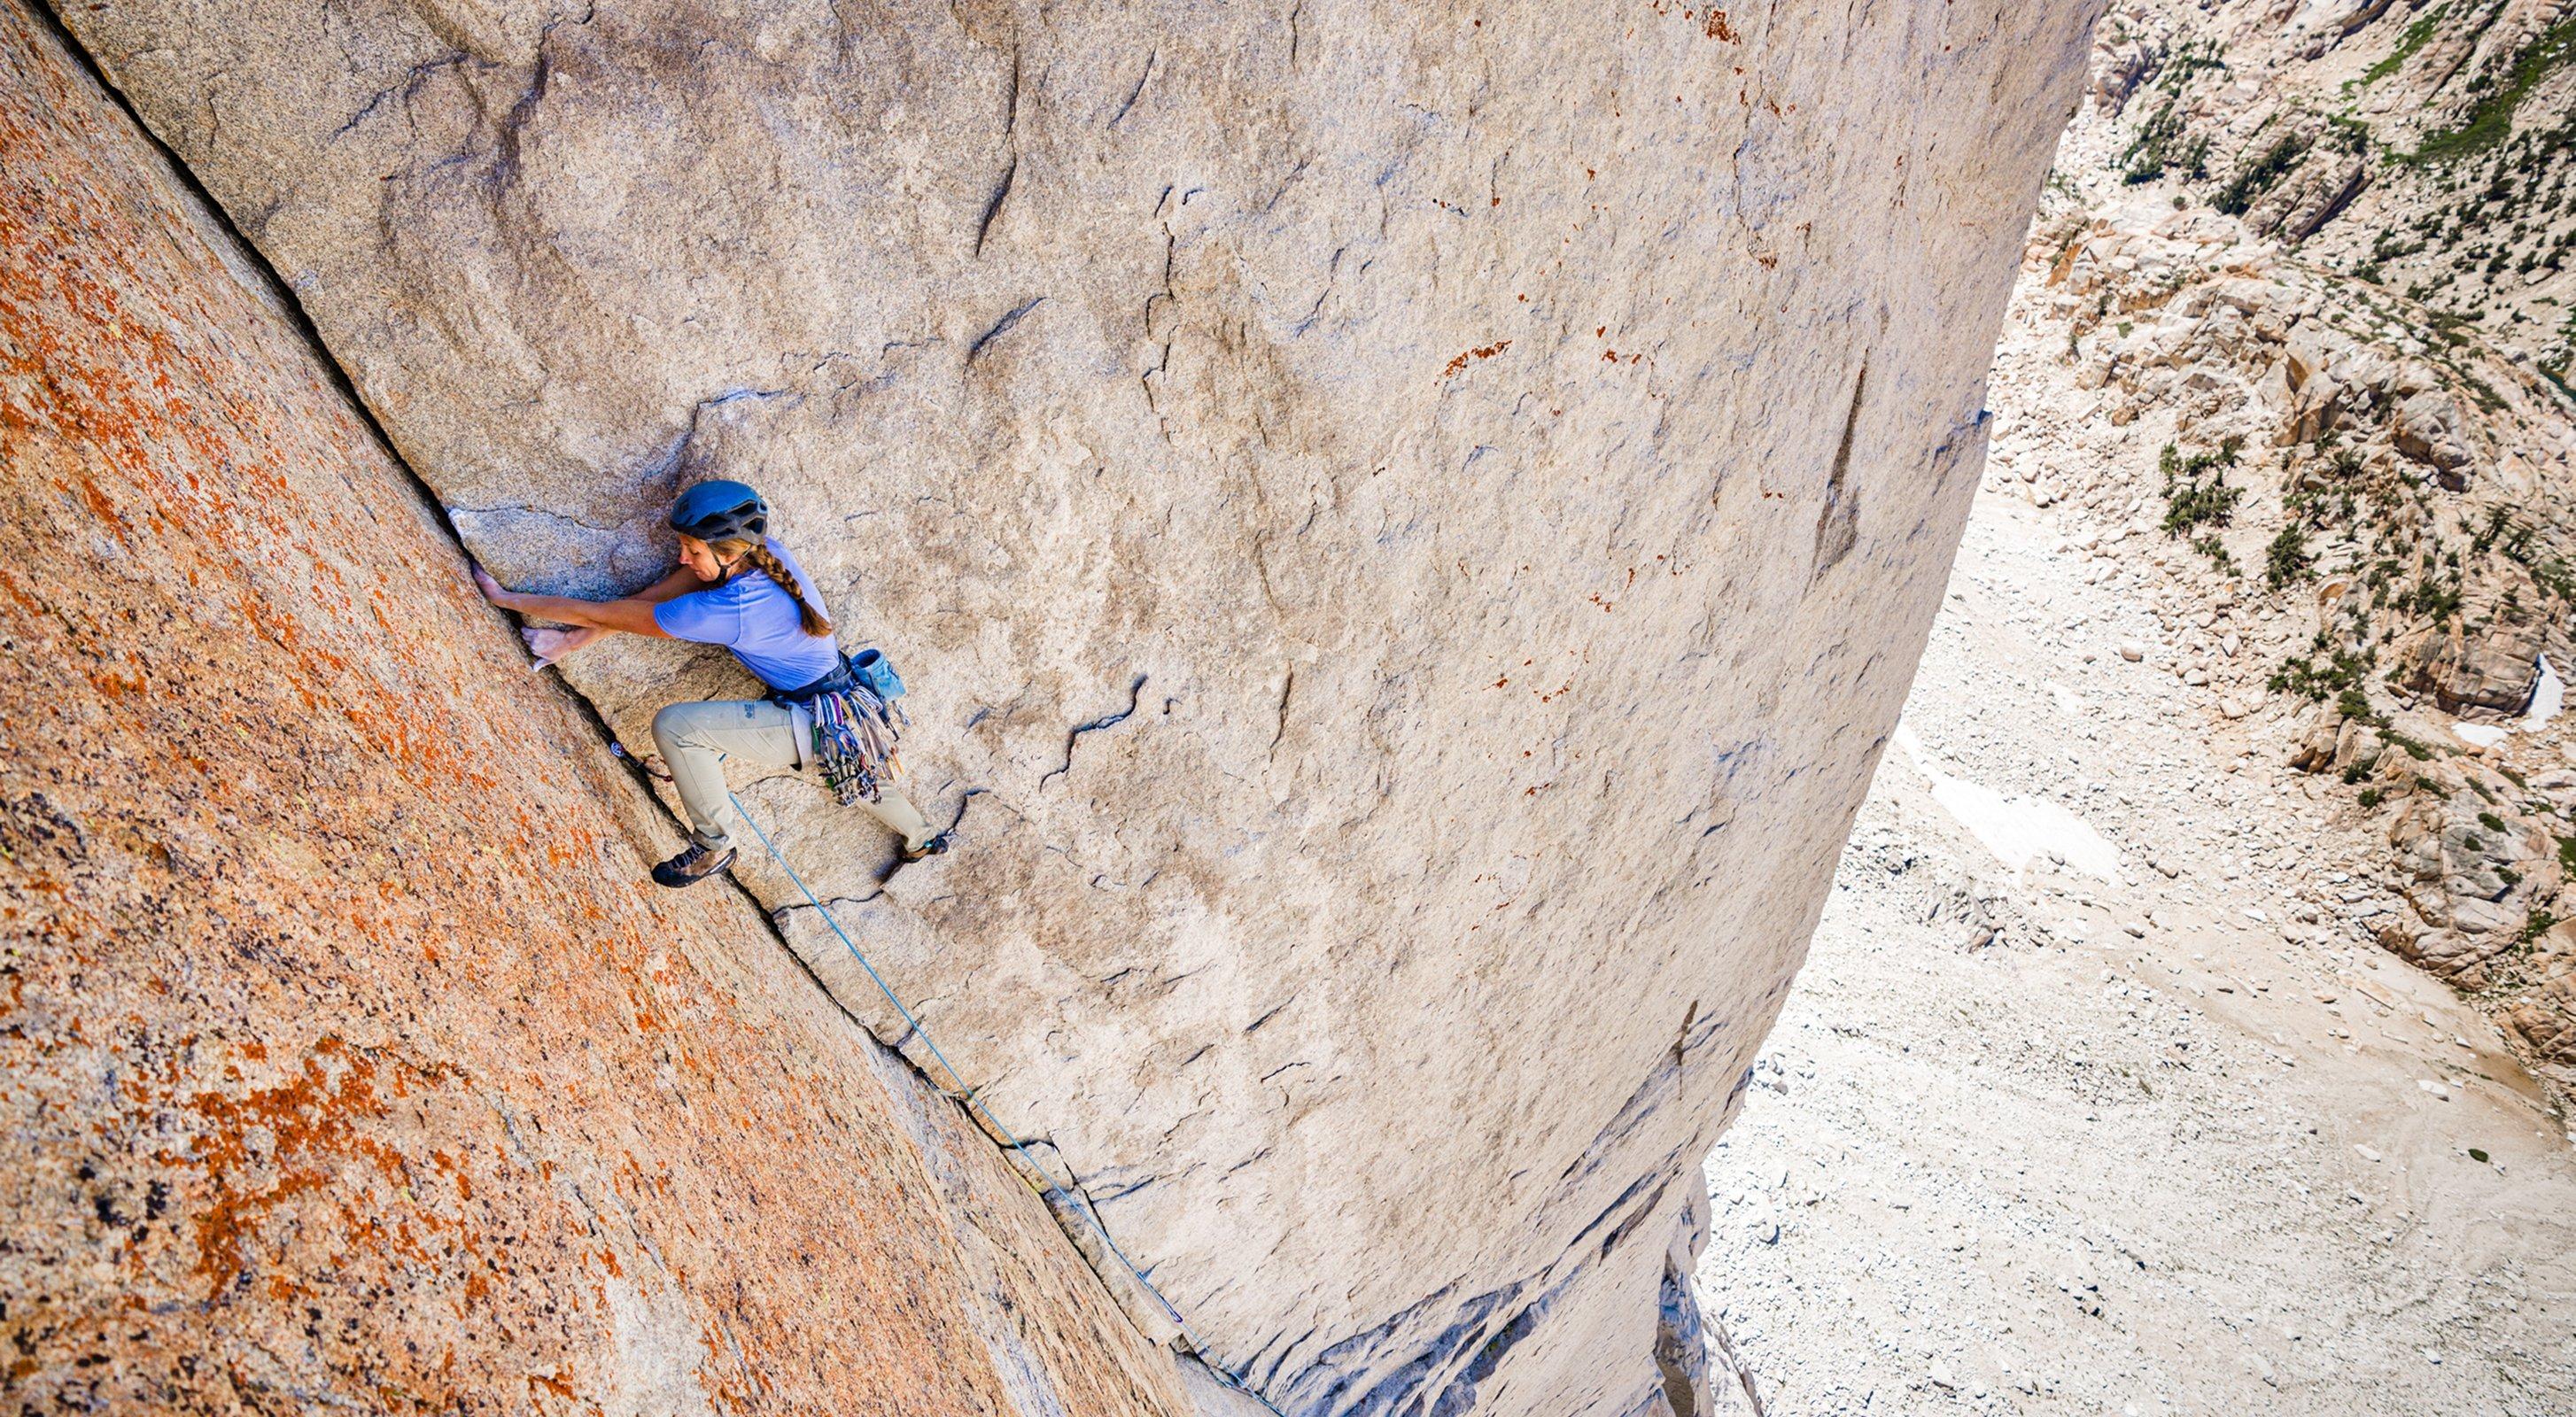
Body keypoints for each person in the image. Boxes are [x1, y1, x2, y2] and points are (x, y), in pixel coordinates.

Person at [473, 479, 950, 887]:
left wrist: (506, 598)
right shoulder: (765, 556)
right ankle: (924, 836)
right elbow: (650, 600)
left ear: (726, 553)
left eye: (692, 550)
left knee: (677, 728)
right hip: (850, 707)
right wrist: (571, 644)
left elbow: (607, 612)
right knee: (863, 776)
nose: (682, 558)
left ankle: (714, 845)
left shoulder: (730, 610)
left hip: (813, 717)